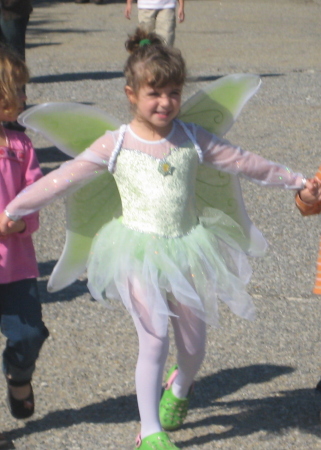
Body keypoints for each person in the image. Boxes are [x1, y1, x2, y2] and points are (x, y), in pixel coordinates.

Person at [0, 28, 316, 449]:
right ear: (131, 94)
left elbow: (245, 163)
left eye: (173, 92)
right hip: (137, 252)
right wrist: (13, 208)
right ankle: (150, 430)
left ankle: (181, 385)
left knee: (193, 345)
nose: (164, 102)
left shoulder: (192, 137)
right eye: (154, 93)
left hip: (188, 247)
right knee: (154, 338)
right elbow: (60, 180)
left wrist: (297, 181)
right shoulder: (116, 144)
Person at [0, 45, 49, 421]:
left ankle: (19, 377)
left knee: (29, 335)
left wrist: (22, 222)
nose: (23, 96)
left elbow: (37, 194)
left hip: (15, 267)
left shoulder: (22, 146)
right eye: (16, 88)